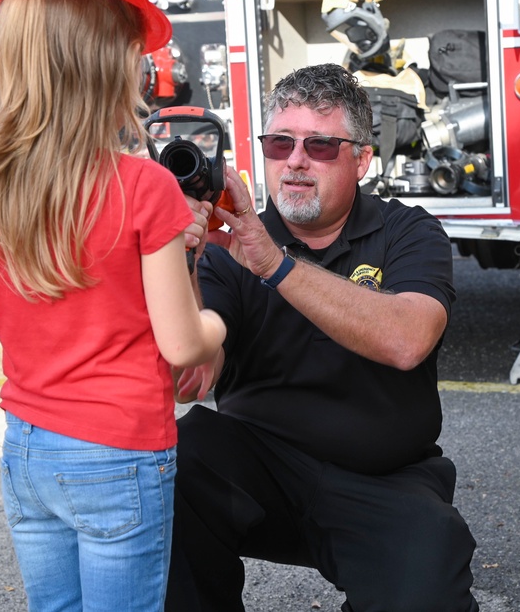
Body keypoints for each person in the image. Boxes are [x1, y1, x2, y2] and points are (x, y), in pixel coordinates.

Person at [0, 0, 226, 612]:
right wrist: (218, 322)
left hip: (25, 450)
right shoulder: (143, 187)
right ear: (113, 64)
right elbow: (183, 347)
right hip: (118, 454)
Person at [167, 63, 480, 612]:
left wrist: (275, 266)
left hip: (384, 481)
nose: (295, 160)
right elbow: (190, 380)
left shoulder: (407, 230)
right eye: (280, 142)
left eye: (321, 146)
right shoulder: (226, 245)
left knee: (429, 582)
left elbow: (408, 338)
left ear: (361, 160)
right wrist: (180, 260)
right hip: (261, 474)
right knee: (175, 464)